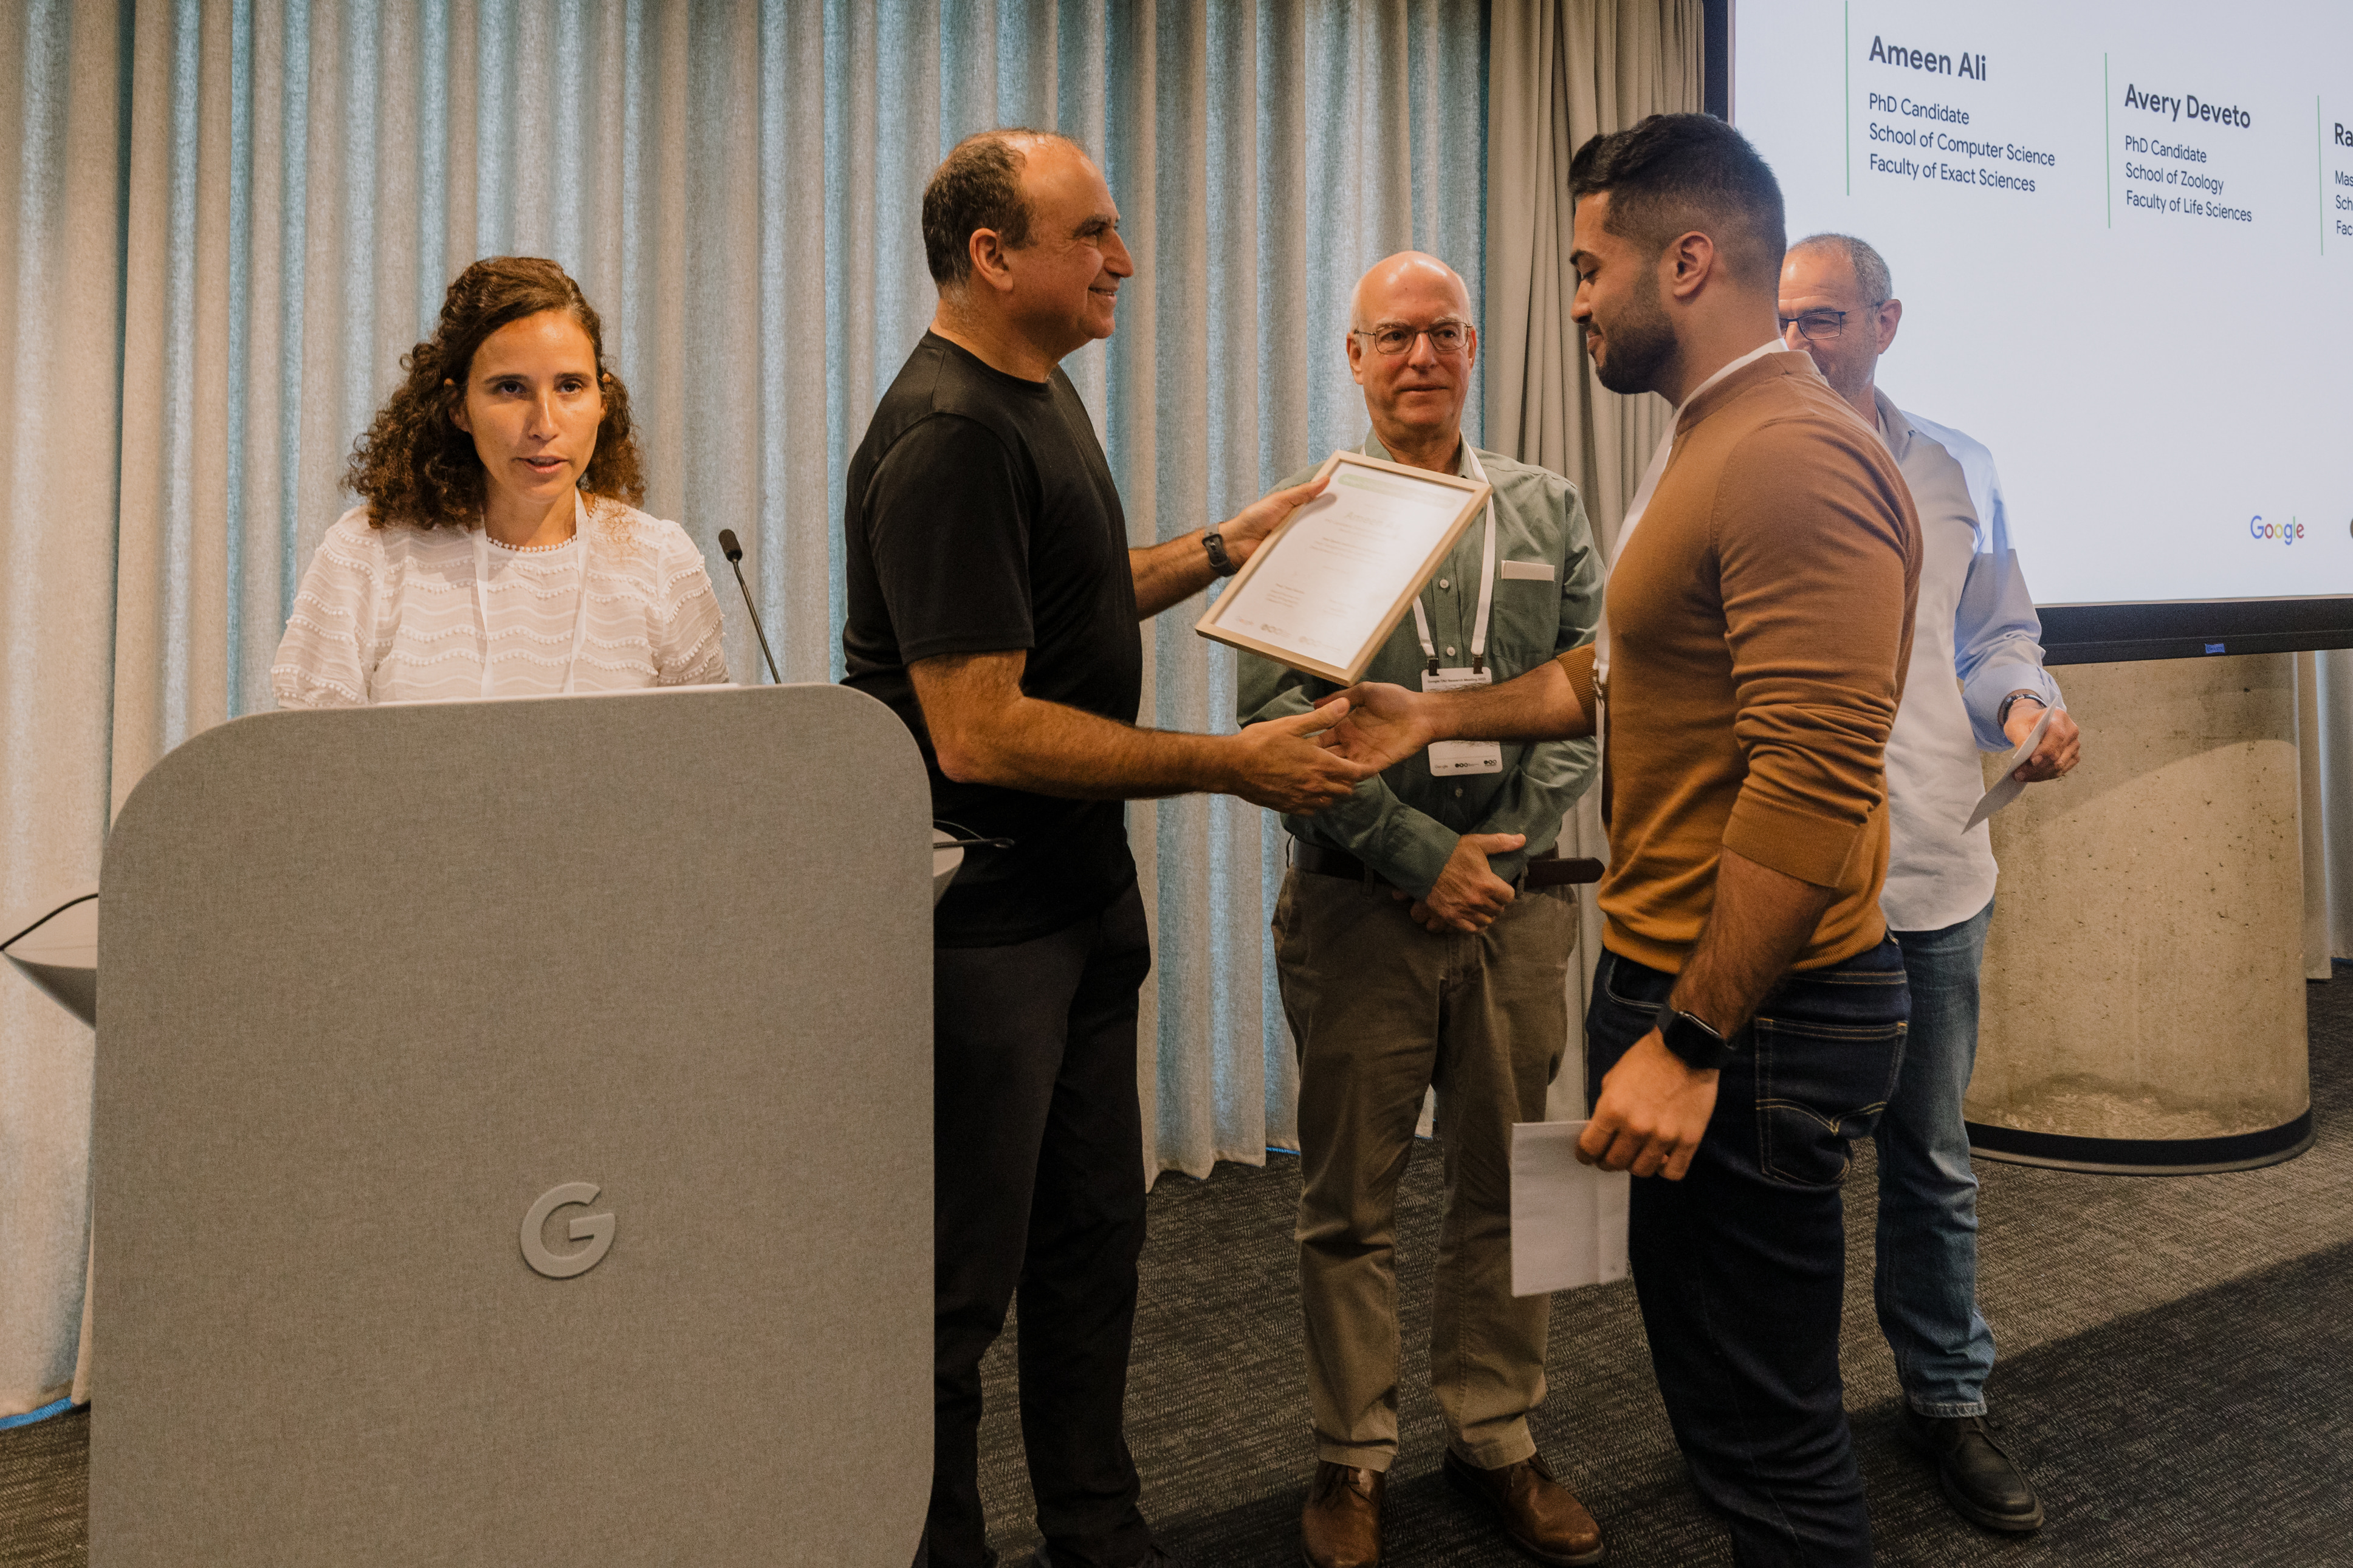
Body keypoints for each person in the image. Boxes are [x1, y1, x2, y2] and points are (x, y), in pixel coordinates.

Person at [1325, 114, 1922, 1566]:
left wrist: (1696, 1036)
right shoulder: (1706, 440)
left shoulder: (1787, 457)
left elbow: (1814, 774)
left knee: (1775, 1437)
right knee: (1715, 1409)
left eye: (1590, 269)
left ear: (1691, 259)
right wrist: (1434, 716)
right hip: (1681, 987)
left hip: (1755, 1019)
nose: (1577, 299)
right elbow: (1611, 670)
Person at [840, 128, 1374, 1568]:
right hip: (984, 932)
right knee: (958, 1286)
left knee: (1092, 1245)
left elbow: (1057, 606)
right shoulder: (948, 432)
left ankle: (1097, 1524)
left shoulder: (1032, 397)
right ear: (995, 257)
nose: (1123, 259)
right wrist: (1230, 765)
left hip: (1076, 903)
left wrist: (1217, 545)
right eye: (1093, 234)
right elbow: (981, 727)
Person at [1235, 252, 1606, 1568]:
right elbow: (1271, 727)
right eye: (1391, 336)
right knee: (1352, 1196)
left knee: (1515, 1184)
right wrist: (1414, 855)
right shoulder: (1316, 521)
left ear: (1468, 349)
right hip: (1361, 916)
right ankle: (1352, 1453)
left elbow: (1590, 691)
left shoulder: (1547, 506)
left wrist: (1503, 853)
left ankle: (1498, 1435)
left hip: (1517, 910)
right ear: (1353, 358)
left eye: (1442, 332)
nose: (1420, 357)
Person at [1777, 233, 2080, 1535]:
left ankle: (1948, 1403)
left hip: (1938, 869)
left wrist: (2026, 705)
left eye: (1826, 319)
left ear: (1886, 323)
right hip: (1787, 884)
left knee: (1931, 1158)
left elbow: (1997, 635)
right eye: (1784, 318)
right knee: (1781, 1169)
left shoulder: (1959, 470)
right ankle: (1781, 1423)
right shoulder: (1733, 456)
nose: (1799, 342)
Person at [272, 256, 727, 707]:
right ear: (458, 407)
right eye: (511, 388)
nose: (544, 424)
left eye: (570, 386)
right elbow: (310, 764)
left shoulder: (662, 562)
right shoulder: (368, 555)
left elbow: (705, 763)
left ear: (603, 401)